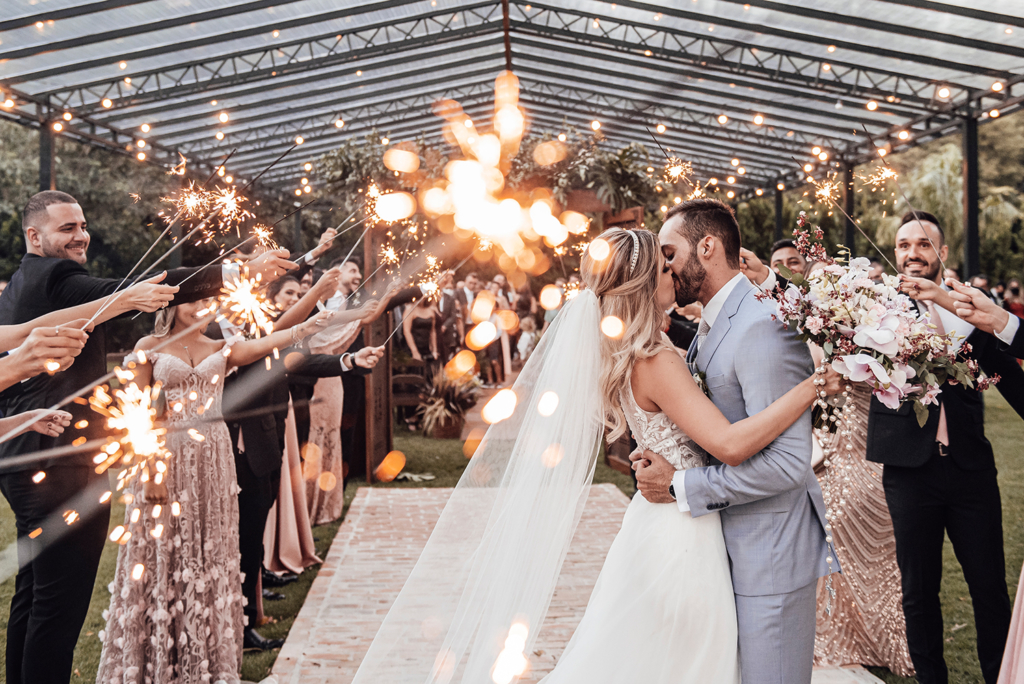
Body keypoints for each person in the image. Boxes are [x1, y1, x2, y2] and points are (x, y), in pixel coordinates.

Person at [348, 224, 843, 684]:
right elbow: (731, 444)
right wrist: (813, 386)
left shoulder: (632, 353)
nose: (674, 273)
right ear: (646, 283)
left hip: (661, 526)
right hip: (682, 537)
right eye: (664, 267)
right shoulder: (657, 358)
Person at [0, 190, 294, 684]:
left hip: (25, 450)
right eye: (66, 228)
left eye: (82, 224)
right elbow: (141, 286)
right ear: (35, 236)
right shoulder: (57, 276)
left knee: (34, 591)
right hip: (60, 458)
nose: (81, 235)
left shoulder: (19, 285)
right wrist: (232, 272)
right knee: (59, 602)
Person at [632, 200, 835, 684]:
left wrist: (680, 483)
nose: (663, 265)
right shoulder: (710, 324)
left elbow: (788, 465)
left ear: (708, 246)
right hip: (720, 548)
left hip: (769, 556)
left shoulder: (763, 327)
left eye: (669, 252)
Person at [95, 300, 340, 681]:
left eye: (206, 302)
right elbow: (139, 414)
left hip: (213, 457)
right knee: (164, 550)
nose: (199, 309)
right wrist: (154, 474)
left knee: (210, 546)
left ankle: (204, 658)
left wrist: (306, 328)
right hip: (167, 456)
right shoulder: (149, 345)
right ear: (173, 306)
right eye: (191, 301)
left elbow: (266, 343)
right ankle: (159, 657)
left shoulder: (221, 347)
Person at [876, 211, 1024, 684]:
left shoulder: (971, 313)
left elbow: (1015, 385)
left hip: (970, 471)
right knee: (918, 592)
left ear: (941, 253)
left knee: (989, 589)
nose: (912, 253)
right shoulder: (873, 312)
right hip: (908, 470)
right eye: (903, 245)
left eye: (923, 244)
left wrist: (963, 314)